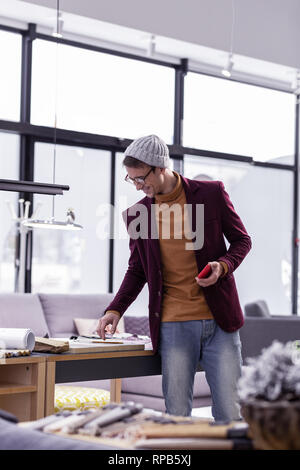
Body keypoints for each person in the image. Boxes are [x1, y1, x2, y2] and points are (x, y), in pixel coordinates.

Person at [96, 134, 252, 421]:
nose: (139, 187)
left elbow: (242, 241)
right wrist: (115, 309)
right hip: (173, 325)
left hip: (220, 322)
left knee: (230, 413)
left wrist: (223, 266)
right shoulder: (137, 214)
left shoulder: (211, 194)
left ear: (160, 167)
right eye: (132, 181)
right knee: (177, 415)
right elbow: (137, 269)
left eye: (142, 178)